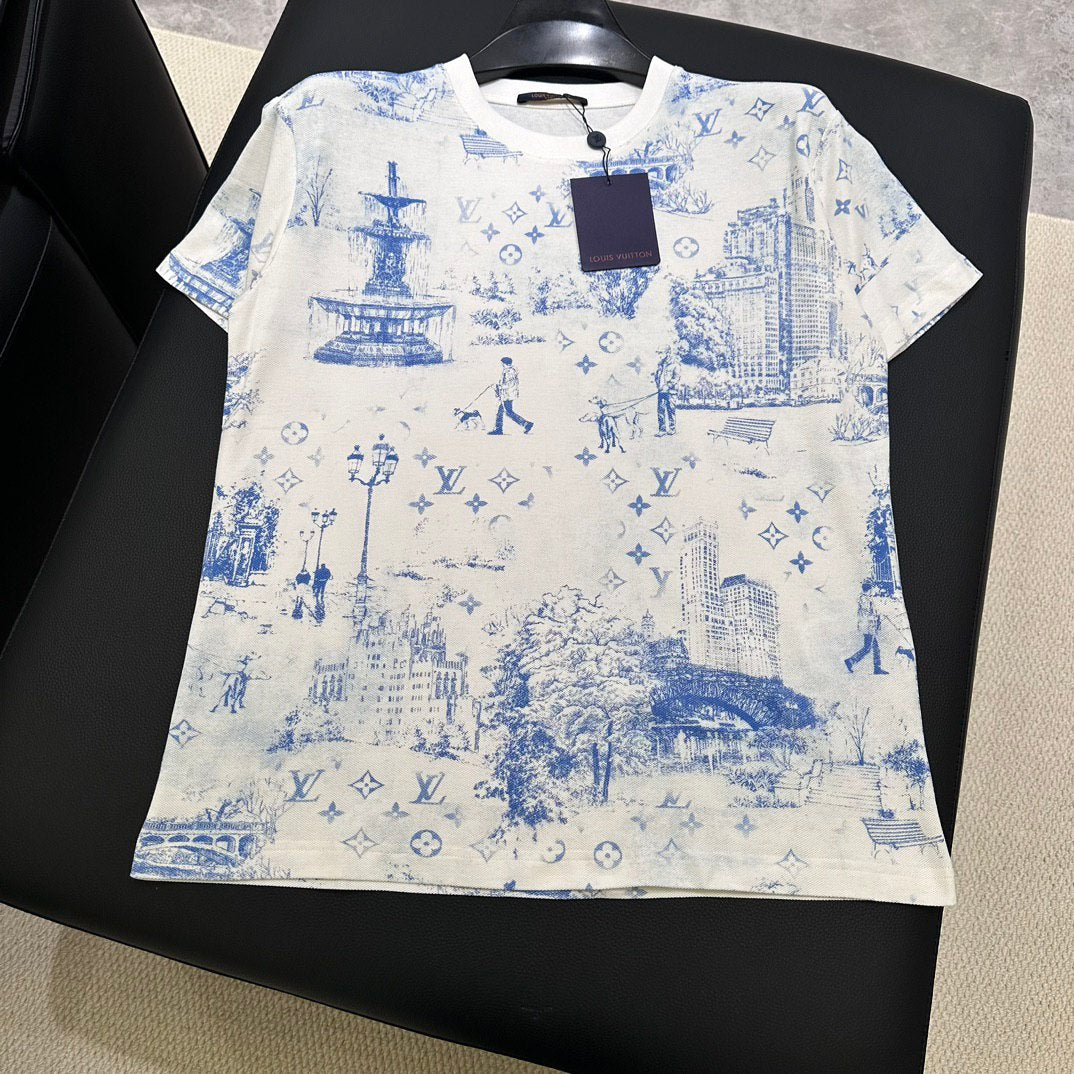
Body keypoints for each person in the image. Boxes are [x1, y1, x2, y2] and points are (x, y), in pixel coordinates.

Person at [845, 580, 888, 675]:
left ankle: (877, 668)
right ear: (870, 588)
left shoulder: (866, 598)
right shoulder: (864, 599)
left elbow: (870, 612)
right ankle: (851, 661)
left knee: (875, 647)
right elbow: (867, 613)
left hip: (869, 626)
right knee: (867, 648)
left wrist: (877, 615)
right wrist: (876, 617)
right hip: (868, 626)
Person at [488, 356, 534, 435]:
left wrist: (500, 386)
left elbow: (509, 384)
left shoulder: (509, 372)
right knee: (501, 411)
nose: (501, 365)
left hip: (508, 395)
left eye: (502, 363)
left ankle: (526, 424)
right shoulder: (507, 371)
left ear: (504, 363)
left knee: (508, 412)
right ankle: (498, 429)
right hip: (506, 394)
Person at [654, 354, 680, 436]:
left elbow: (676, 378)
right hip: (661, 392)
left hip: (671, 392)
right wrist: (658, 386)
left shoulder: (675, 364)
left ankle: (672, 429)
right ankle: (662, 430)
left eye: (661, 352)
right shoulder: (660, 364)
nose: (660, 355)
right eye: (659, 352)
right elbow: (657, 376)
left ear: (667, 353)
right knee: (660, 411)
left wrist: (668, 385)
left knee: (671, 410)